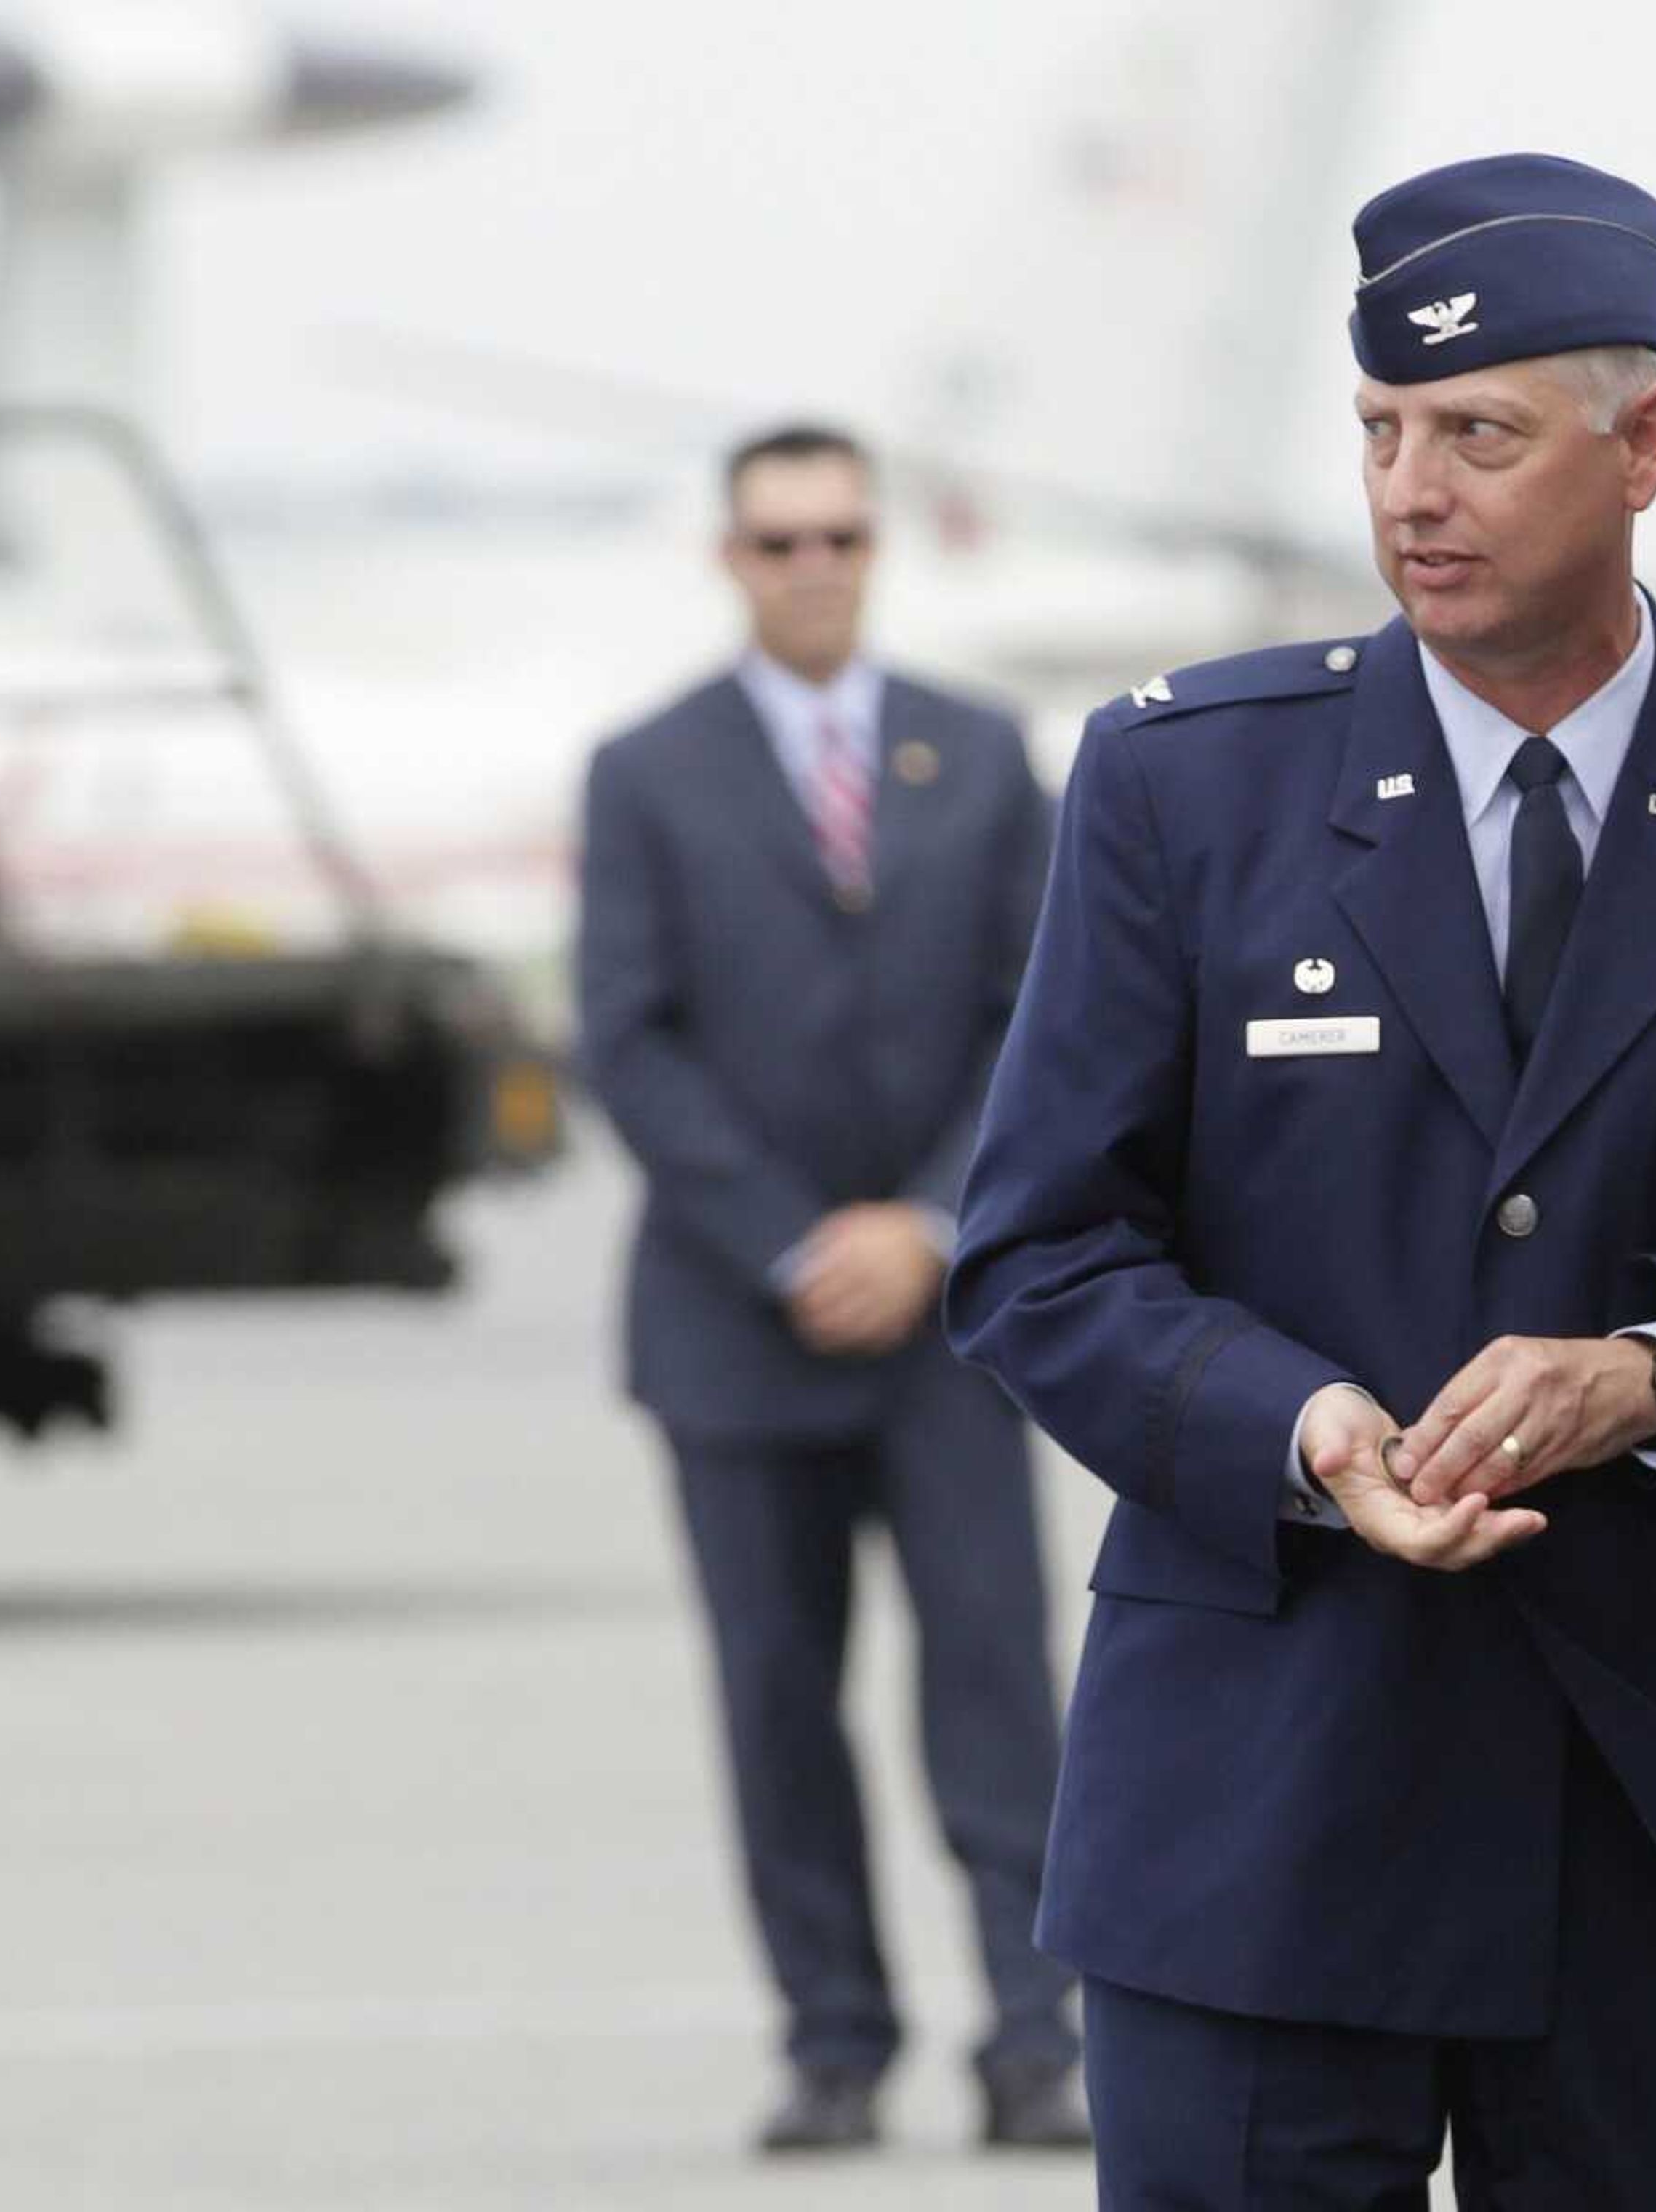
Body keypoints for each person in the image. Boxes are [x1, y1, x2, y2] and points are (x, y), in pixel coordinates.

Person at [947, 154, 1656, 2211]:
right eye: (1379, 435)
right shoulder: (1189, 784)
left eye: (1478, 435)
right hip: (1265, 1805)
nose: (1411, 495)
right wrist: (1300, 1426)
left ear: (1647, 444)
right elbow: (1037, 1252)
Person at [574, 424, 1087, 2155]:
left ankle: (1032, 2042)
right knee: (780, 1701)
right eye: (778, 541)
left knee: (999, 1687)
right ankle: (833, 2045)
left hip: (946, 1322)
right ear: (729, 558)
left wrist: (929, 1223)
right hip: (740, 1328)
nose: (812, 567)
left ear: (877, 551)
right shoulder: (646, 769)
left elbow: (1041, 1012)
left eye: (841, 537)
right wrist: (798, 1244)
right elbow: (627, 1044)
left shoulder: (979, 748)